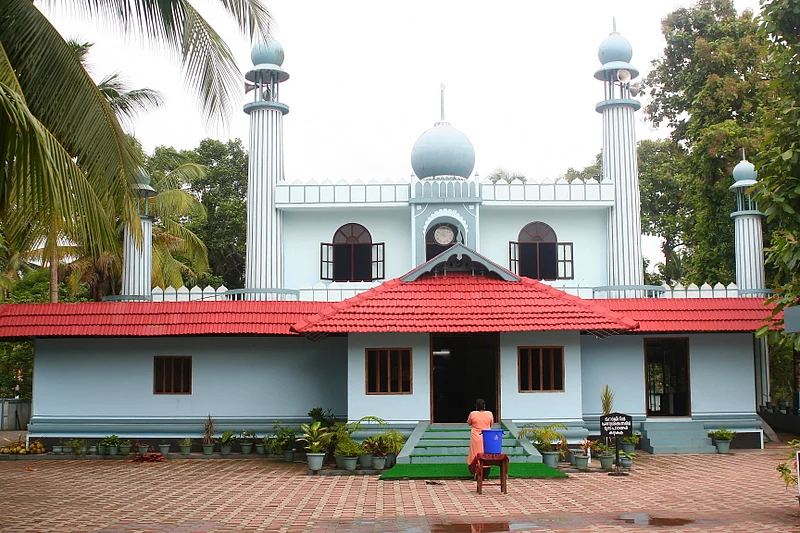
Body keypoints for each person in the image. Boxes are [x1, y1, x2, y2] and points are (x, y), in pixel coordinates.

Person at [467, 398, 494, 480]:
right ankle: (485, 474)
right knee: (486, 453)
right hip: (486, 436)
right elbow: (491, 424)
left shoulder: (473, 414)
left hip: (476, 436)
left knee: (475, 454)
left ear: (476, 406)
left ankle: (476, 472)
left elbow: (469, 423)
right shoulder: (489, 414)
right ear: (484, 406)